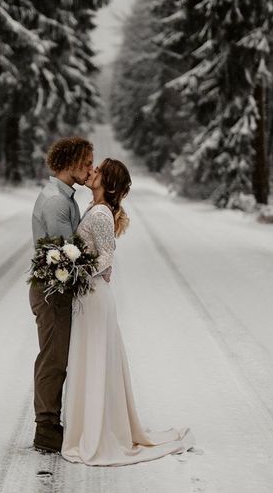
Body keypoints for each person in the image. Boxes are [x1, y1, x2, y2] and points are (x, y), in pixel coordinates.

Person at [61, 157, 195, 466]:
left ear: (107, 182)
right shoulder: (96, 210)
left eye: (99, 170)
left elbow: (107, 255)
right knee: (89, 359)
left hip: (94, 295)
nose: (92, 170)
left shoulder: (101, 214)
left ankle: (97, 433)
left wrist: (78, 271)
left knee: (93, 359)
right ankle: (90, 426)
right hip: (91, 295)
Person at [30, 136, 94, 453]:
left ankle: (51, 423)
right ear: (70, 163)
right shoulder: (56, 202)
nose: (90, 169)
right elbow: (66, 254)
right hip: (52, 290)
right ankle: (46, 429)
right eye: (86, 163)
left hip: (57, 287)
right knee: (53, 359)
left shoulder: (64, 197)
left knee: (58, 357)